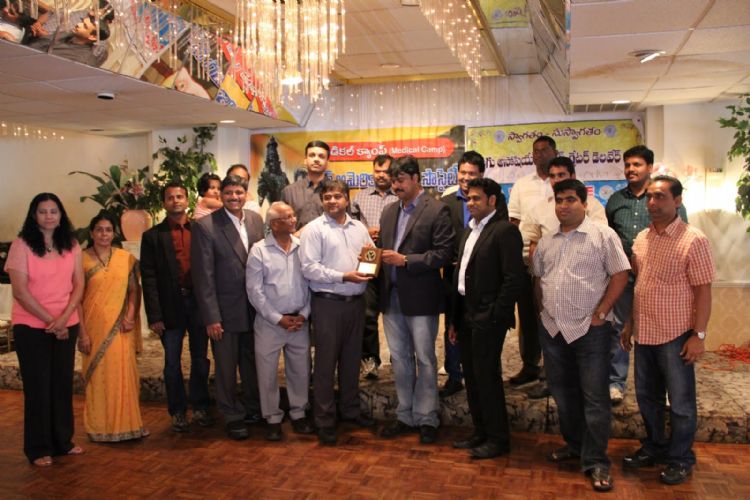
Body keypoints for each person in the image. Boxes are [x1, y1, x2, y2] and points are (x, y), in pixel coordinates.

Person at [532, 179, 630, 492]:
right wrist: (542, 311)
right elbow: (538, 279)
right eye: (559, 200)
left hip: (590, 331)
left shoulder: (603, 235)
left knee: (594, 398)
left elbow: (621, 274)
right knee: (563, 395)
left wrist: (602, 312)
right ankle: (575, 446)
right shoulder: (547, 241)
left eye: (570, 199)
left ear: (584, 203)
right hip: (553, 330)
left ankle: (597, 460)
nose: (564, 205)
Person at [621, 176, 714, 486]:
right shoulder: (642, 239)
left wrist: (699, 336)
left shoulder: (694, 240)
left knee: (681, 403)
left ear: (677, 201)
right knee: (647, 398)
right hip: (645, 333)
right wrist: (630, 324)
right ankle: (655, 447)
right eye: (649, 196)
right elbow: (640, 286)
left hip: (676, 334)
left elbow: (703, 291)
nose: (652, 203)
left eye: (660, 196)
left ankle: (680, 458)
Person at [377, 155, 454, 445]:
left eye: (400, 181)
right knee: (399, 359)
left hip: (421, 298)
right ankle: (405, 414)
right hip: (392, 297)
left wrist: (406, 260)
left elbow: (443, 253)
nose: (395, 186)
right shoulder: (388, 211)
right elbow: (381, 250)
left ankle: (427, 417)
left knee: (425, 358)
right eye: (392, 181)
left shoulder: (436, 209)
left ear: (415, 179)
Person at [4, 193, 84, 466]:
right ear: (33, 215)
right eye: (43, 211)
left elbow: (79, 285)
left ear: (61, 215)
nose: (49, 216)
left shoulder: (71, 244)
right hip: (31, 326)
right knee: (38, 387)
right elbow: (20, 292)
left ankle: (63, 441)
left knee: (61, 384)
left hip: (66, 324)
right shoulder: (21, 245)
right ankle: (38, 448)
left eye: (53, 211)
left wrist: (64, 319)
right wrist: (52, 321)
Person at [519, 155, 607, 400]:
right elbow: (526, 241)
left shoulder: (592, 206)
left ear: (573, 176)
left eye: (562, 175)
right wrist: (536, 250)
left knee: (584, 354)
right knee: (551, 339)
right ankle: (550, 380)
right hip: (548, 283)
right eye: (553, 176)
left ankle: (586, 387)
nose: (557, 180)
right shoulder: (539, 208)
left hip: (582, 290)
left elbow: (600, 238)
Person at [606, 146, 688, 405]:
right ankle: (616, 382)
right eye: (627, 164)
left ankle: (668, 387)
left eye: (637, 164)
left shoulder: (662, 197)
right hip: (623, 278)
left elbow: (681, 234)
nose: (631, 169)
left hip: (659, 281)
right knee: (619, 329)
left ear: (649, 167)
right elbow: (610, 237)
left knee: (662, 332)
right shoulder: (615, 200)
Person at [448, 178, 523, 459]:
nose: (470, 203)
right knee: (472, 376)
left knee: (487, 377)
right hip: (466, 313)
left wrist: (495, 315)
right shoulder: (470, 230)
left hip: (488, 317)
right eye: (468, 198)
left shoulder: (504, 231)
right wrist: (455, 320)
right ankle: (480, 432)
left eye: (476, 198)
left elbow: (513, 279)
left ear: (492, 200)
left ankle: (498, 439)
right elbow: (461, 276)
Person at [300, 179, 375, 445]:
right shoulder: (314, 229)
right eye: (327, 197)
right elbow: (309, 268)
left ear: (347, 199)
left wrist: (371, 266)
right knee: (325, 363)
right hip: (327, 304)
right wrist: (343, 276)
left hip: (356, 303)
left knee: (351, 361)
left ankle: (350, 410)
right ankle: (324, 419)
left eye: (337, 196)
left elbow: (370, 254)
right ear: (322, 201)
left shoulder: (359, 228)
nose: (332, 201)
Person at [192, 175, 264, 440]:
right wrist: (212, 317)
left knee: (252, 363)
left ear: (246, 194)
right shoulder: (205, 226)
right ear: (220, 195)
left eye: (239, 192)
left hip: (254, 308)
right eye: (229, 193)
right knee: (225, 368)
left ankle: (254, 409)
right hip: (224, 312)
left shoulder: (255, 220)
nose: (234, 197)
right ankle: (232, 415)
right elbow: (203, 277)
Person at [141, 181, 214, 433]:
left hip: (198, 304)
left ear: (187, 200)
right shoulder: (152, 236)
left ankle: (201, 406)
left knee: (200, 359)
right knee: (172, 363)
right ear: (164, 203)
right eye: (170, 197)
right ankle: (178, 411)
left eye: (180, 196)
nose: (175, 201)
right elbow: (149, 278)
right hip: (170, 306)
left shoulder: (201, 230)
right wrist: (155, 315)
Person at [440, 150, 507, 398]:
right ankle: (454, 375)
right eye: (462, 173)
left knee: (484, 334)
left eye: (472, 173)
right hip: (454, 276)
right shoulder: (447, 201)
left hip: (484, 280)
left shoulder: (495, 199)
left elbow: (499, 234)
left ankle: (487, 375)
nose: (466, 178)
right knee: (453, 325)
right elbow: (441, 234)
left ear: (481, 174)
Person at [246, 202, 315, 441]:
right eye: (288, 217)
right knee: (267, 373)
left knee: (300, 371)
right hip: (270, 323)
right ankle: (273, 418)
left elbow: (311, 284)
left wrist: (304, 314)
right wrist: (278, 318)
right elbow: (254, 291)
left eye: (293, 215)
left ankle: (299, 413)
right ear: (274, 224)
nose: (294, 220)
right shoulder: (259, 250)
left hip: (299, 321)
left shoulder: (303, 247)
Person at [77, 212, 147, 442]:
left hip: (121, 329)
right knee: (98, 377)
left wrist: (130, 317)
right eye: (99, 230)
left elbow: (134, 291)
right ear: (92, 233)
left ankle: (129, 425)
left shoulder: (125, 259)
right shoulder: (80, 260)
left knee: (123, 376)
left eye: (108, 230)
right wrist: (82, 333)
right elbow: (76, 299)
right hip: (93, 328)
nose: (104, 234)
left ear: (114, 233)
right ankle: (100, 426)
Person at [507, 136, 557, 387]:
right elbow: (513, 221)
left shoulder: (565, 183)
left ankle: (553, 368)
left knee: (553, 316)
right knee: (527, 315)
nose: (539, 154)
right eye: (535, 151)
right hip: (526, 259)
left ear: (555, 152)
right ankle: (530, 365)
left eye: (544, 150)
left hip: (558, 262)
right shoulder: (521, 185)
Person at [351, 154, 397, 380]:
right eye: (377, 171)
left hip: (393, 256)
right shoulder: (360, 197)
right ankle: (370, 361)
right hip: (368, 256)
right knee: (368, 312)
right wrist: (365, 232)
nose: (381, 175)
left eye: (386, 171)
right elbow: (349, 227)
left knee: (396, 311)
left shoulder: (399, 195)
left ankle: (400, 358)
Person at [27, 15, 110, 67]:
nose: (78, 24)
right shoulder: (69, 34)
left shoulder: (81, 60)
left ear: (92, 37)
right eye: (82, 22)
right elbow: (43, 42)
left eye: (85, 26)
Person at [282, 140, 328, 231]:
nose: (316, 159)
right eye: (312, 155)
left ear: (327, 162)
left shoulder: (337, 192)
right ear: (305, 160)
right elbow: (281, 223)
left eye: (321, 156)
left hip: (329, 240)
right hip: (297, 240)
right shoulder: (289, 191)